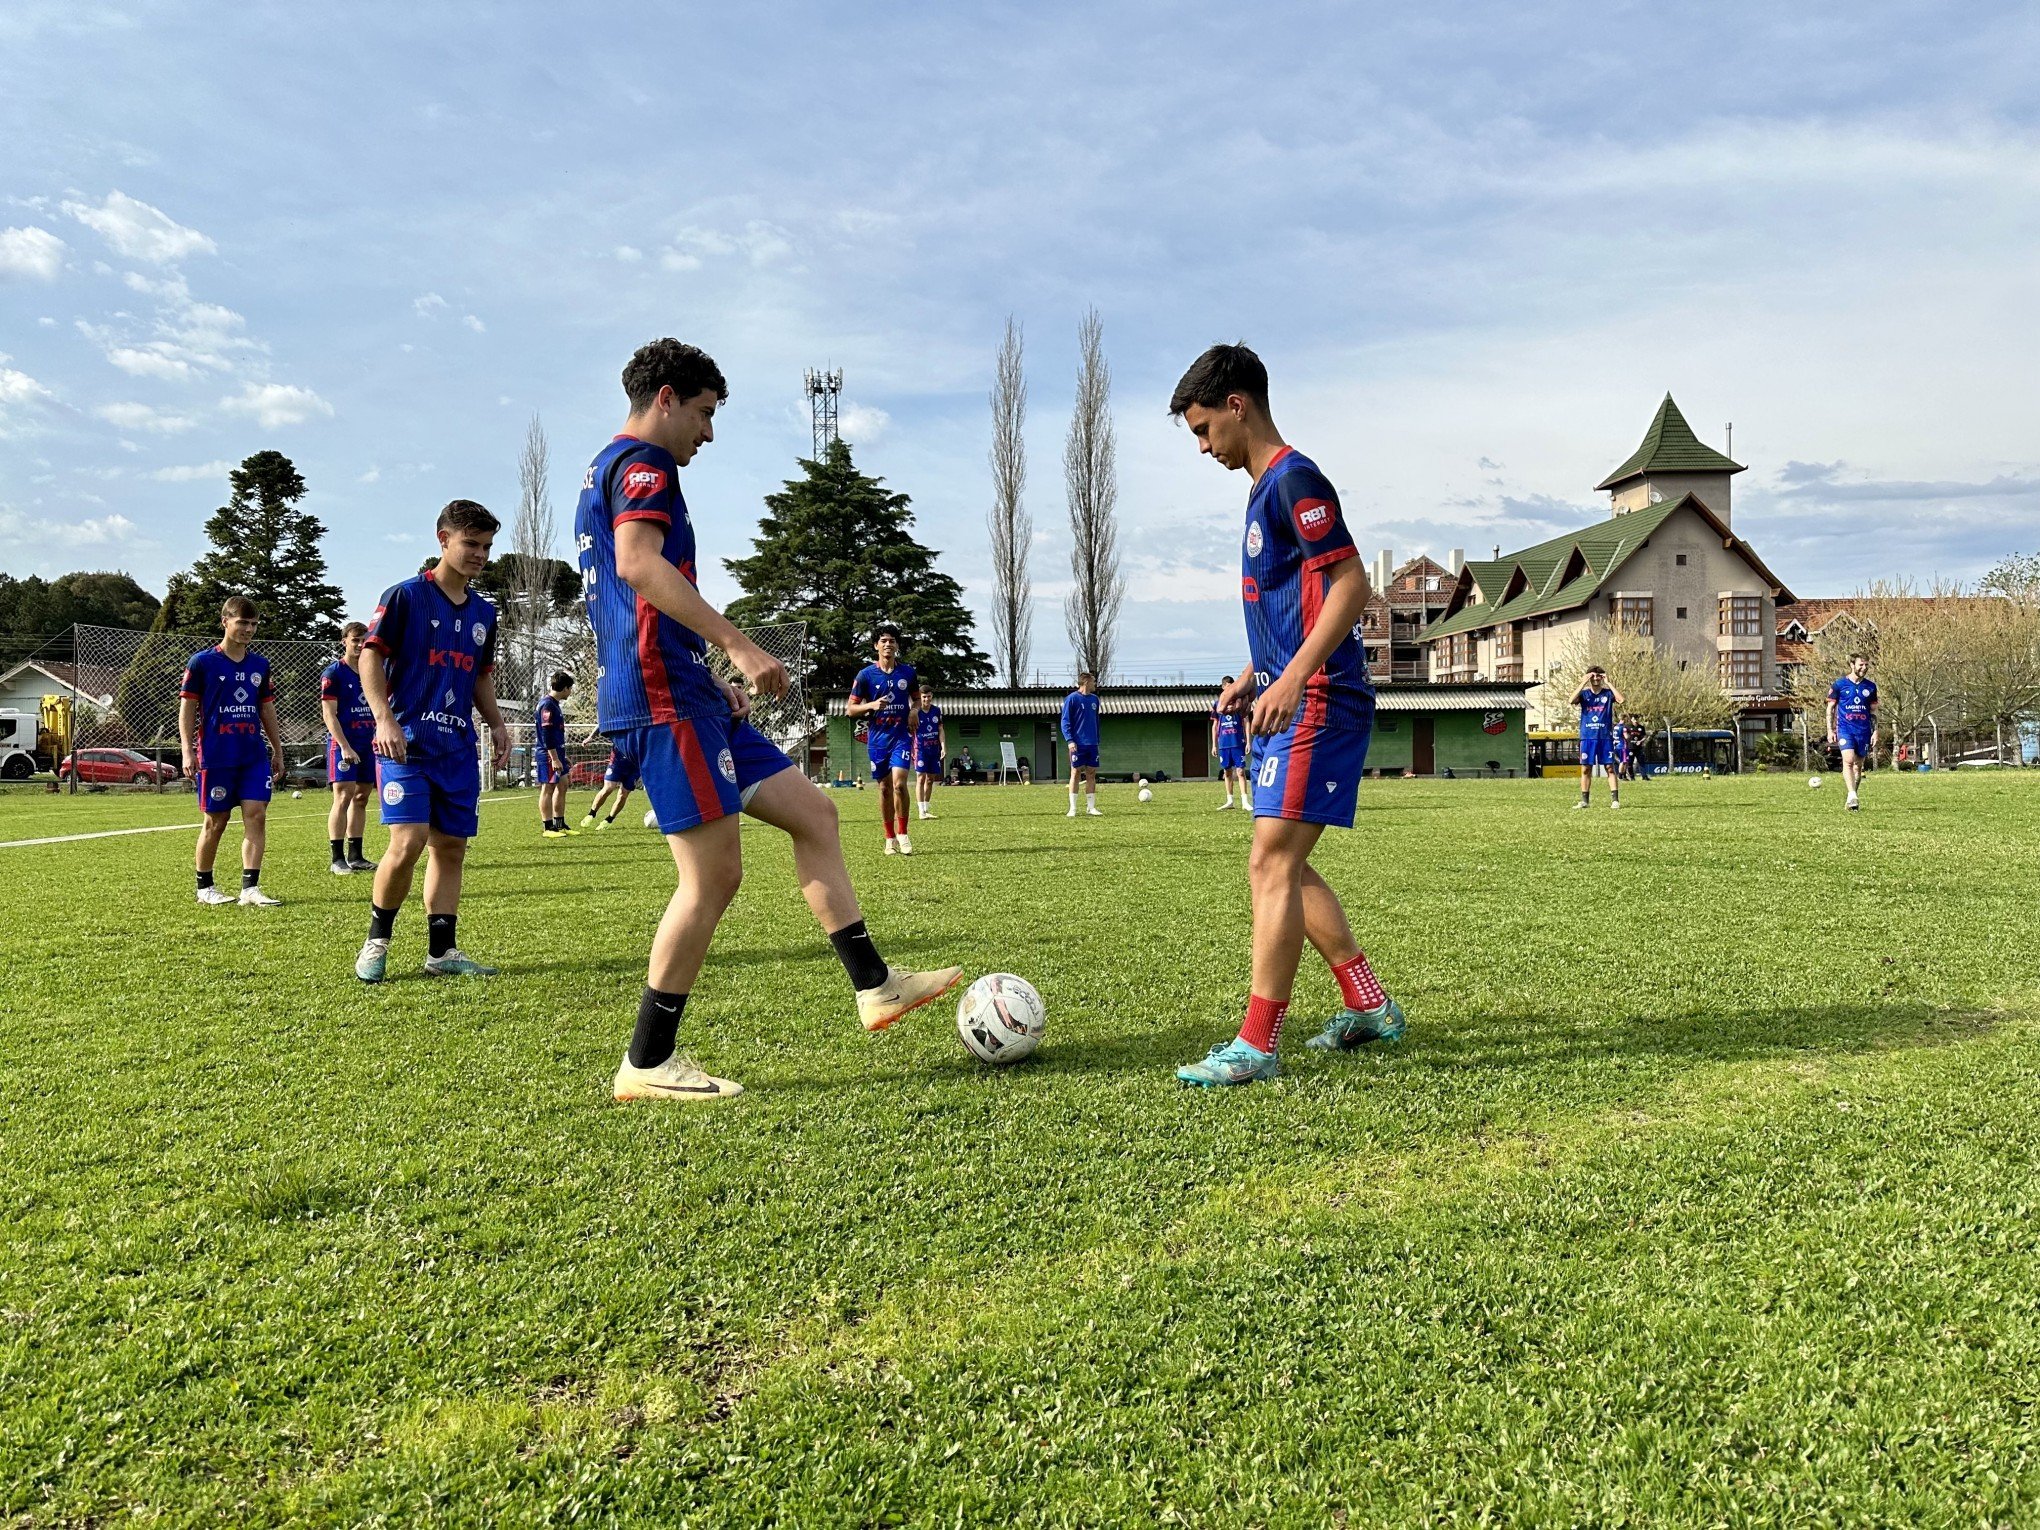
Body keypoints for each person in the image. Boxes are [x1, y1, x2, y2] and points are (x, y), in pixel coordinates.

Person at [576, 337, 961, 1102]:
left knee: (815, 813)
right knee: (714, 874)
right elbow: (638, 568)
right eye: (705, 413)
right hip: (660, 696)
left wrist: (711, 676)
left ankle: (875, 985)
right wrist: (740, 647)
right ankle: (647, 1062)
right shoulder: (644, 465)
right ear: (666, 399)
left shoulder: (606, 467)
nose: (708, 434)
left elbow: (639, 598)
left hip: (683, 687)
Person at [1167, 342, 1404, 1087]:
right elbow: (1293, 605)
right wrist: (1252, 675)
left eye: (1205, 429)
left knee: (1271, 859)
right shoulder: (1260, 489)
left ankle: (1257, 1045)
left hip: (1322, 698)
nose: (1203, 446)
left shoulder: (1295, 477)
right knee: (1286, 863)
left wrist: (1295, 677)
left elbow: (1351, 583)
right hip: (1291, 693)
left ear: (1238, 404)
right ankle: (1370, 1007)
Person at [353, 500, 512, 982]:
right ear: (443, 540)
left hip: (456, 746)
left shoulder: (485, 612)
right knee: (409, 841)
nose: (479, 554)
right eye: (470, 544)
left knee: (451, 847)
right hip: (405, 743)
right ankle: (376, 941)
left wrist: (498, 723)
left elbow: (481, 675)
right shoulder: (405, 596)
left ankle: (441, 952)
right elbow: (369, 658)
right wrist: (383, 718)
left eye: (486, 547)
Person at [179, 595, 285, 906]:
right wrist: (188, 750)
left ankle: (250, 889)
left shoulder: (260, 665)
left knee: (257, 815)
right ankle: (205, 888)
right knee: (217, 820)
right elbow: (187, 709)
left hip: (252, 755)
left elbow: (267, 710)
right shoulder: (202, 663)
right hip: (216, 754)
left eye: (253, 624)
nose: (248, 629)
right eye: (242, 622)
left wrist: (277, 750)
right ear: (226, 622)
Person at [845, 624, 918, 854]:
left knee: (899, 784)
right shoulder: (866, 675)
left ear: (897, 645)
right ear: (876, 646)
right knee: (885, 788)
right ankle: (889, 838)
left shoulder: (908, 673)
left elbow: (916, 700)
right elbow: (850, 709)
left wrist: (914, 710)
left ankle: (903, 833)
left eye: (892, 640)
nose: (888, 644)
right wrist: (871, 705)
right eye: (884, 640)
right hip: (877, 739)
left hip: (901, 737)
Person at [320, 620, 379, 875]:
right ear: (344, 641)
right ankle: (337, 858)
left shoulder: (375, 671)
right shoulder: (334, 673)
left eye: (364, 640)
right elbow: (329, 715)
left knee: (361, 798)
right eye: (355, 639)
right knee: (343, 797)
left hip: (369, 744)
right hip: (343, 744)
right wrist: (344, 746)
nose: (359, 644)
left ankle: (356, 855)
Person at [1827, 652, 1878, 811]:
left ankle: (1852, 798)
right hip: (1845, 729)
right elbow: (1830, 708)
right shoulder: (1839, 685)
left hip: (1863, 731)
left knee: (1858, 766)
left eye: (1866, 665)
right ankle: (1852, 795)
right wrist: (1830, 729)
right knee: (1848, 760)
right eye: (1861, 664)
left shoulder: (1870, 687)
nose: (1864, 667)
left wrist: (1875, 731)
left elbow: (1874, 712)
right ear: (1852, 665)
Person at [1572, 665, 1624, 810]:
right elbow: (1571, 700)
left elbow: (1621, 700)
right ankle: (1584, 801)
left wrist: (1609, 683)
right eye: (1592, 676)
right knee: (1585, 769)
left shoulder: (1608, 694)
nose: (1595, 679)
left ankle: (1615, 800)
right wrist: (1582, 682)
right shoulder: (1584, 694)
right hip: (1587, 737)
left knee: (1609, 767)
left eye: (1598, 676)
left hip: (1605, 737)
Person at [535, 670, 575, 837]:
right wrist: (554, 758)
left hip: (557, 753)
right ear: (565, 688)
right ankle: (548, 827)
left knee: (563, 784)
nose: (570, 692)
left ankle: (559, 823)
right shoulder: (547, 705)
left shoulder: (554, 704)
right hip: (548, 755)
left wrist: (561, 755)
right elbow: (546, 734)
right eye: (570, 689)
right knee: (548, 787)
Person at [1062, 671, 1102, 816]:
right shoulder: (1071, 699)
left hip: (1092, 744)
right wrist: (1070, 740)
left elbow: (1096, 721)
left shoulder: (1095, 699)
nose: (1095, 684)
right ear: (1086, 682)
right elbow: (1065, 722)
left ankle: (1091, 808)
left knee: (1091, 773)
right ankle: (1072, 808)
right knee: (1076, 772)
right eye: (1093, 681)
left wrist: (1097, 739)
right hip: (1077, 744)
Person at [580, 744, 641, 829]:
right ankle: (591, 814)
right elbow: (600, 729)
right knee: (608, 788)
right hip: (617, 763)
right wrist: (590, 737)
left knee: (623, 795)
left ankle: (608, 820)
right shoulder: (618, 731)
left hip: (635, 767)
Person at [1212, 679, 1250, 808]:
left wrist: (1249, 742)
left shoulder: (1240, 703)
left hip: (1238, 742)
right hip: (1224, 744)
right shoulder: (1218, 704)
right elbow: (1215, 726)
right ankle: (1230, 801)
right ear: (1223, 687)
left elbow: (1246, 722)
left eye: (1231, 687)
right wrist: (1214, 745)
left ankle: (1245, 802)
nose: (1229, 689)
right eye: (1227, 687)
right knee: (1227, 772)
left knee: (1240, 771)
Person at [913, 683, 945, 819]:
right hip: (920, 749)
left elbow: (940, 729)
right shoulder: (915, 712)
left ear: (932, 697)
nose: (927, 699)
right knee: (920, 778)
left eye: (929, 696)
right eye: (924, 697)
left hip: (934, 749)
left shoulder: (936, 711)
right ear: (920, 698)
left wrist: (943, 746)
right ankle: (920, 811)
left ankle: (926, 809)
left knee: (931, 779)